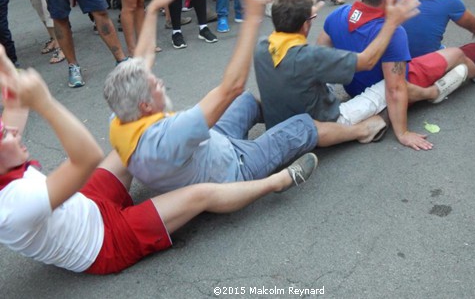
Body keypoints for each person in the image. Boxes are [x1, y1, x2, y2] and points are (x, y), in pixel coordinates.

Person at [0, 46, 316, 276]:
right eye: (5, 137)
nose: (14, 134)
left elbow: (14, 105)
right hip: (104, 242)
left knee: (125, 146)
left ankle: (166, 156)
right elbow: (85, 158)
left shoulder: (8, 169)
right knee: (200, 194)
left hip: (83, 206)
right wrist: (45, 103)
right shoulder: (17, 203)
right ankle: (278, 181)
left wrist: (3, 63)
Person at [103, 0, 385, 192]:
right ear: (145, 104)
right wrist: (251, 18)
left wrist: (153, 9)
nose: (160, 82)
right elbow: (231, 86)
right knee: (302, 123)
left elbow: (142, 60)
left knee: (245, 100)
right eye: (156, 85)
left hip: (212, 144)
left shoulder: (122, 117)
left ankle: (281, 120)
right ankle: (360, 132)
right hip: (235, 167)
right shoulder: (172, 134)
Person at [318, 0, 475, 151]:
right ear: (389, 0)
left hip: (353, 88)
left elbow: (320, 56)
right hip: (389, 85)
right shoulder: (392, 31)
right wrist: (403, 133)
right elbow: (395, 88)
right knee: (457, 54)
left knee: (464, 52)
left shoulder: (338, 14)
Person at [253, 0, 420, 134]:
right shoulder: (312, 57)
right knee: (390, 84)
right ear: (305, 25)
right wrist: (391, 23)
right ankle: (432, 92)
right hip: (323, 123)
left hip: (281, 119)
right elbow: (367, 61)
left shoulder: (261, 46)